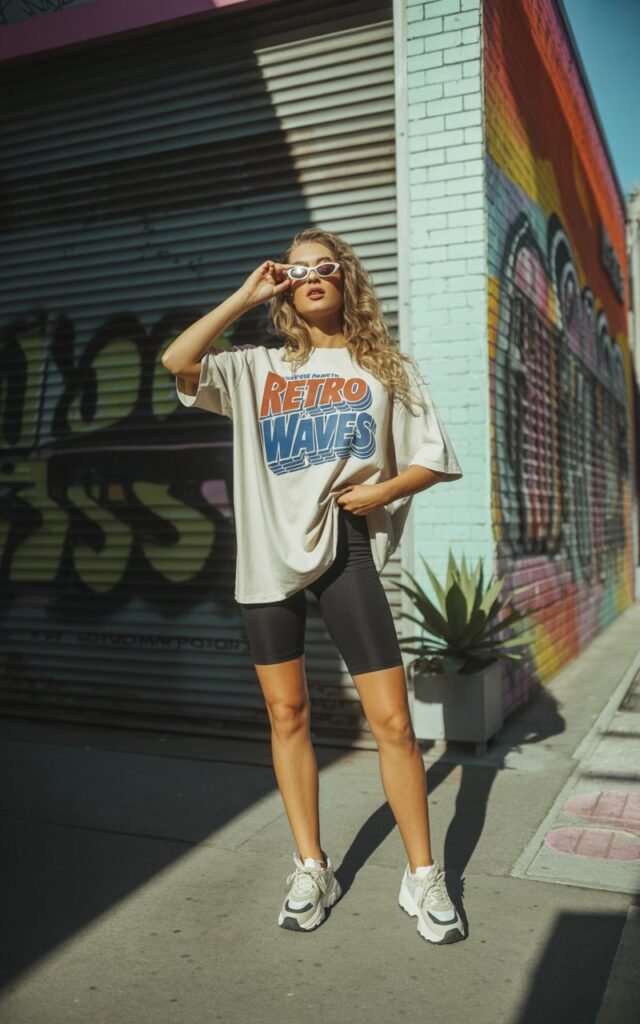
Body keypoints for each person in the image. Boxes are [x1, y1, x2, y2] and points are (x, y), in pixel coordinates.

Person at [162, 229, 466, 944]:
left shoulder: (383, 366)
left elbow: (435, 458)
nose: (312, 278)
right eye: (297, 272)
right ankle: (312, 867)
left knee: (393, 722)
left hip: (346, 550)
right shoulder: (257, 367)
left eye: (325, 267)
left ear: (346, 278)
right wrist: (245, 294)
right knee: (287, 714)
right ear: (285, 287)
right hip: (266, 559)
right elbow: (178, 360)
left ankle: (423, 876)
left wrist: (381, 490)